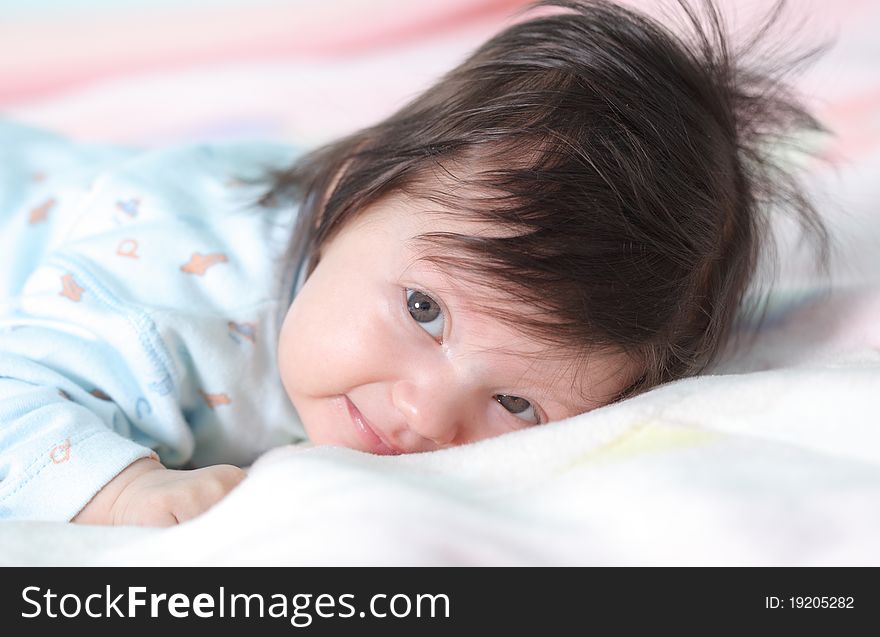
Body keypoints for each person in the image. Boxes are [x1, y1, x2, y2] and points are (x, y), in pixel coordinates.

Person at [0, 0, 831, 526]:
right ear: (345, 195)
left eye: (515, 400)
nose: (428, 414)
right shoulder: (167, 307)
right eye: (424, 310)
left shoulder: (396, 235)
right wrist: (120, 491)